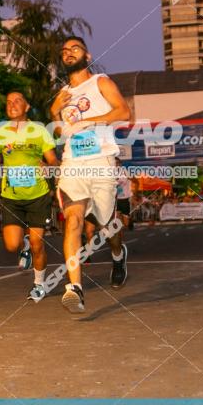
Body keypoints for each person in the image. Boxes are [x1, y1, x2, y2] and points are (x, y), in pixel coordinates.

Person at [49, 36, 131, 313]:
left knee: (107, 225)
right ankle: (75, 289)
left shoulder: (101, 82)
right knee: (72, 221)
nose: (68, 53)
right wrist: (53, 110)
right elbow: (62, 133)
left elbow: (124, 111)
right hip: (73, 162)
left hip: (101, 161)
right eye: (64, 51)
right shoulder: (62, 94)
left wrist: (89, 121)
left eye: (75, 49)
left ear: (87, 54)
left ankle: (118, 255)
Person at [0, 91, 59, 301]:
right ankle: (23, 246)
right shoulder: (0, 131)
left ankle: (39, 284)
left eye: (17, 101)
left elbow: (53, 159)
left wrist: (49, 166)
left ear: (27, 107)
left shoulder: (39, 130)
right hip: (11, 195)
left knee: (38, 244)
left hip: (38, 194)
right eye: (8, 102)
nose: (12, 105)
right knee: (11, 245)